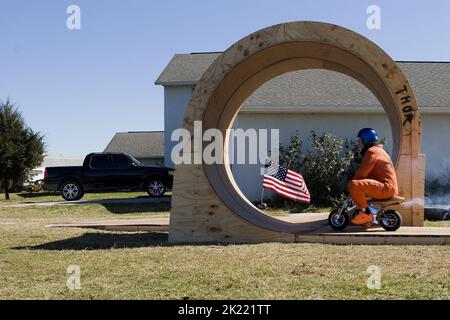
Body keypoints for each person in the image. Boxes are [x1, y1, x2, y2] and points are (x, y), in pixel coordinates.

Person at [348, 128, 398, 225]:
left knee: (354, 184)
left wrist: (350, 187)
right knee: (357, 186)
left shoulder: (372, 151)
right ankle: (368, 214)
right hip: (387, 187)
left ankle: (366, 214)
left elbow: (363, 172)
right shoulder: (379, 150)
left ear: (365, 140)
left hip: (385, 187)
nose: (358, 144)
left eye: (359, 141)